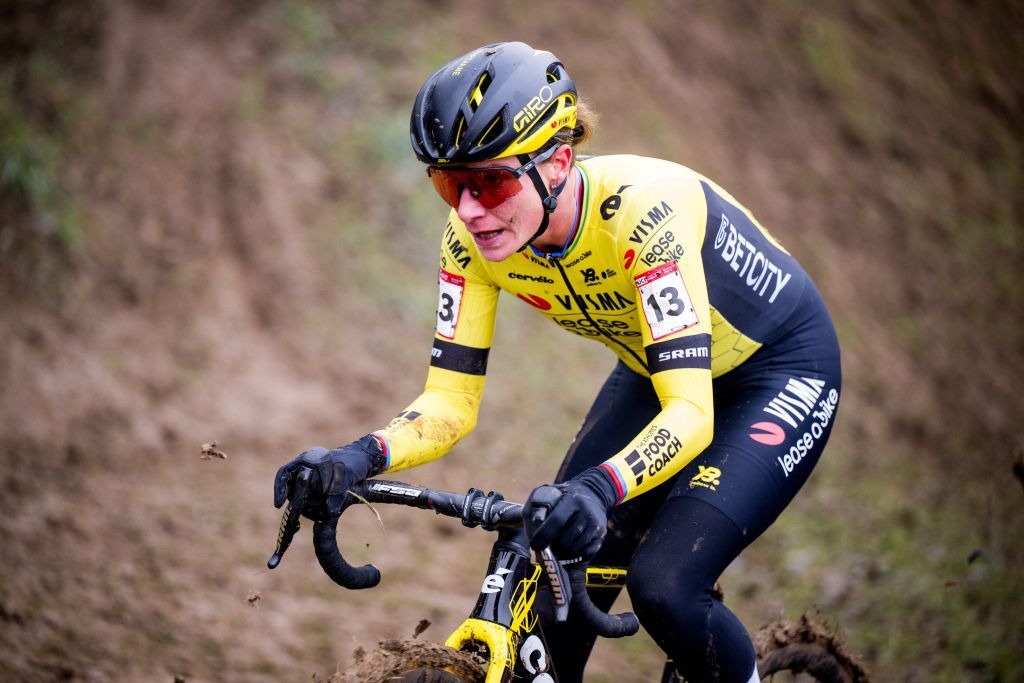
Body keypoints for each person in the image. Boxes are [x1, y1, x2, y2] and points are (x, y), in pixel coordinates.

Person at [274, 41, 841, 683]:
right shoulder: (473, 241)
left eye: (490, 181)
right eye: (448, 183)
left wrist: (601, 488)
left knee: (665, 585)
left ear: (559, 161)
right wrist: (358, 456)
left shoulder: (642, 215)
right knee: (547, 575)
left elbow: (691, 414)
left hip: (777, 370)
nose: (469, 209)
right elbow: (449, 404)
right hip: (660, 365)